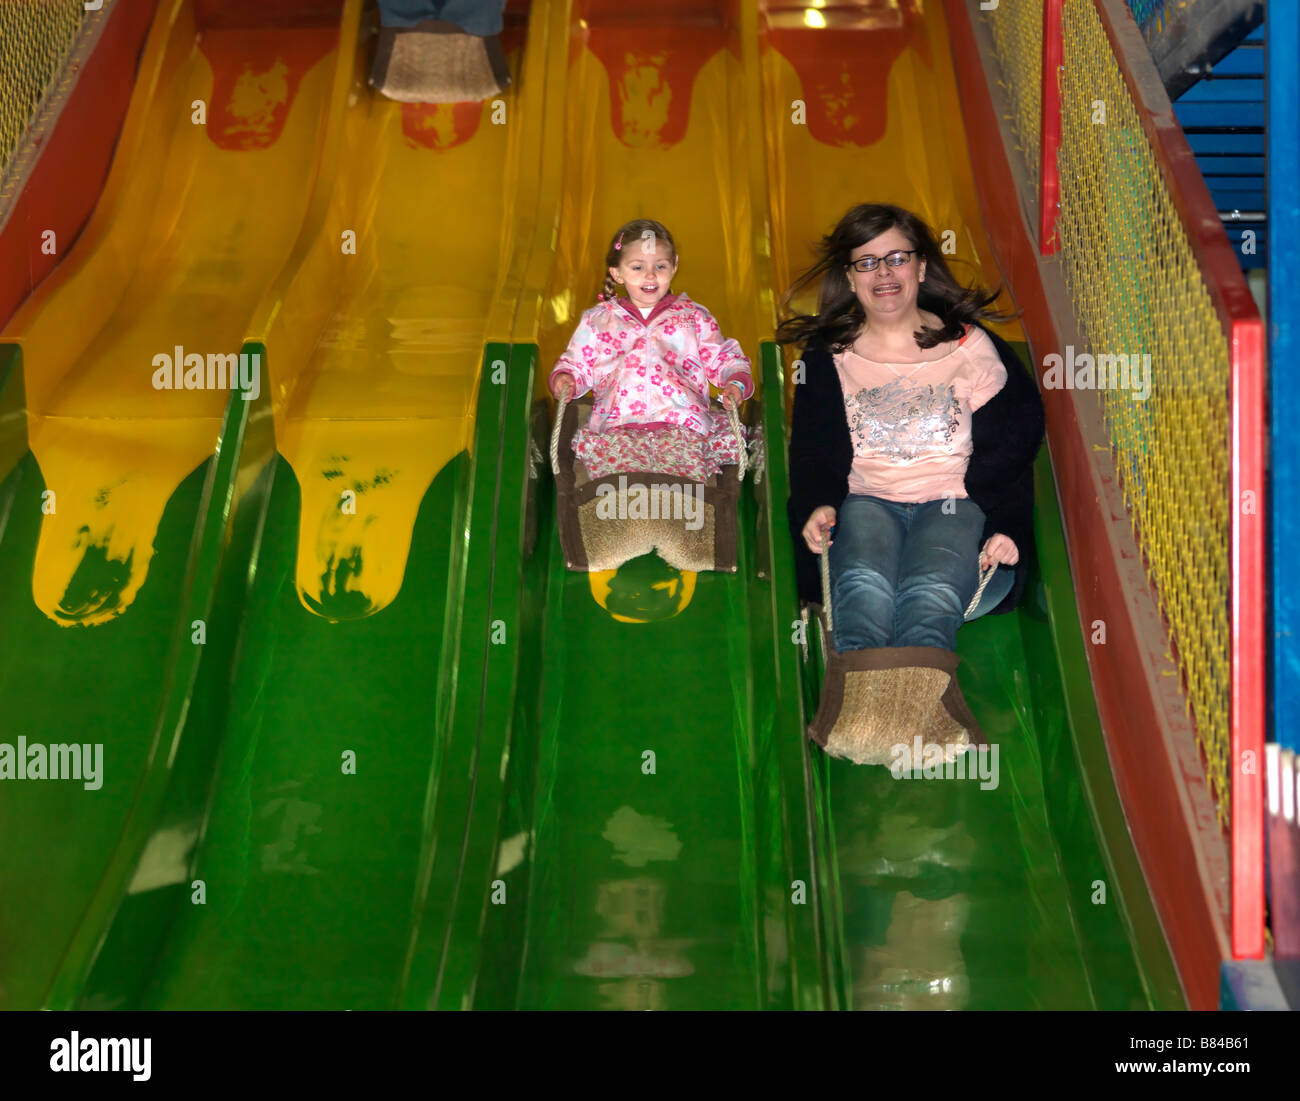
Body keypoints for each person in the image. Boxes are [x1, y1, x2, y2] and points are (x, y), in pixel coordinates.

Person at [781, 202, 1044, 659]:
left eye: (897, 257)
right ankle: (859, 710)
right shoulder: (828, 357)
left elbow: (1011, 449)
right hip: (865, 499)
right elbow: (812, 450)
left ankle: (919, 707)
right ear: (850, 276)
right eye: (867, 261)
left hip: (953, 503)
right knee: (864, 584)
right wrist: (817, 505)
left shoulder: (970, 346)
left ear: (921, 266)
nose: (883, 272)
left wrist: (1006, 524)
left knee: (932, 589)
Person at [549, 219, 753, 482]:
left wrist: (734, 381)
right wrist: (567, 376)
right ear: (617, 273)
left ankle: (680, 519)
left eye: (660, 266)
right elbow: (578, 362)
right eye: (637, 267)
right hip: (618, 425)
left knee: (680, 493)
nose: (650, 275)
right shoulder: (598, 320)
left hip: (682, 424)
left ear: (674, 266)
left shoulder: (691, 316)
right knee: (622, 491)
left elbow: (722, 357)